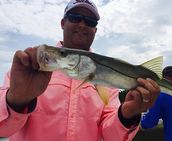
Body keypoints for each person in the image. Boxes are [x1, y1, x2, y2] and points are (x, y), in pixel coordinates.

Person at [0, 0, 160, 140]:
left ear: (95, 30)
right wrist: (16, 101)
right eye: (75, 18)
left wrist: (126, 116)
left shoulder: (108, 81)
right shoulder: (28, 72)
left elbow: (111, 136)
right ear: (63, 22)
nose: (82, 24)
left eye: (90, 21)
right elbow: (4, 129)